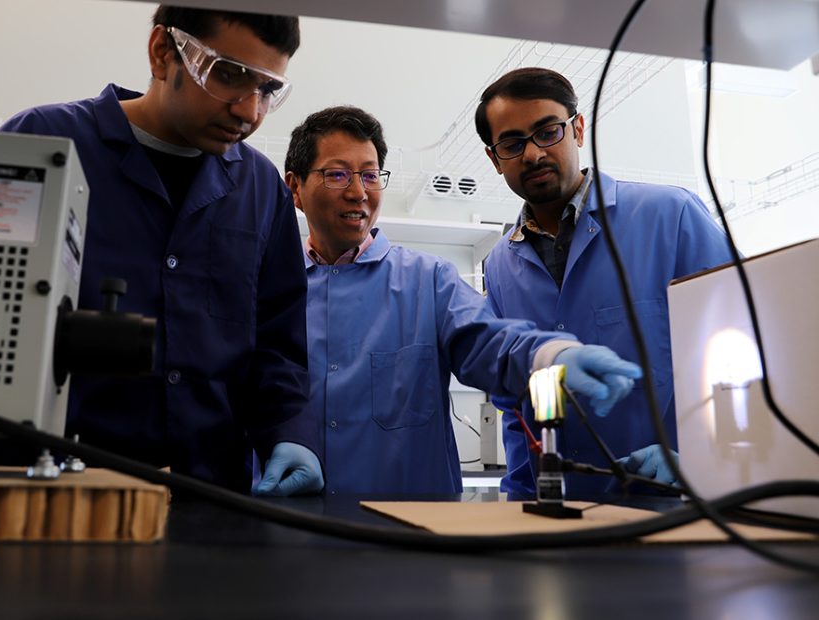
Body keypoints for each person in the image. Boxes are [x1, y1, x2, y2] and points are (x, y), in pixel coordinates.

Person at [0, 6, 323, 497]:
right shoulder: (43, 141)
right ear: (162, 52)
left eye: (267, 89)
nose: (250, 110)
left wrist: (289, 432)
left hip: (206, 497)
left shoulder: (261, 189)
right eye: (230, 75)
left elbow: (276, 347)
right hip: (40, 496)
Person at [283, 105, 644, 496]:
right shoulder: (273, 288)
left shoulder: (428, 280)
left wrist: (549, 357)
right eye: (337, 175)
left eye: (370, 175)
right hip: (293, 524)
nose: (358, 192)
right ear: (295, 188)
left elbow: (491, 343)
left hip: (410, 535)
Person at [474, 67, 732, 498]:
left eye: (547, 132)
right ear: (494, 158)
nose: (533, 154)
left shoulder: (671, 216)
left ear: (577, 128)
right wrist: (520, 491)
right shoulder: (500, 263)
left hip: (672, 499)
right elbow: (514, 402)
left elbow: (743, 350)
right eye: (513, 143)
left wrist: (705, 458)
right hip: (557, 510)